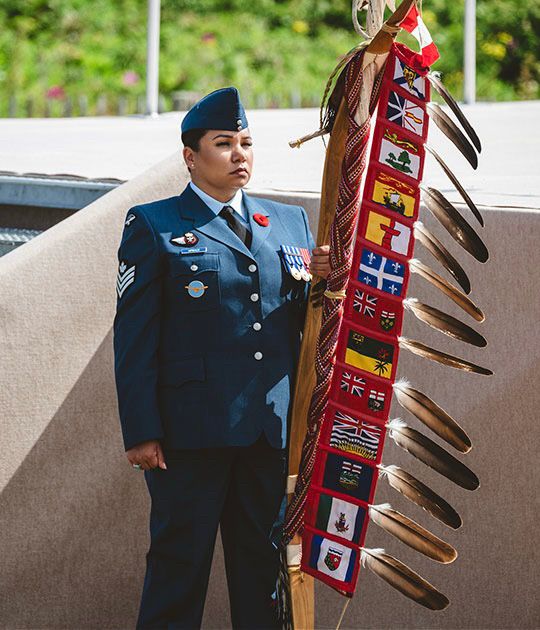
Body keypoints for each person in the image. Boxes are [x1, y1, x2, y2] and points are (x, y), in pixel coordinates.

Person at [113, 86, 330, 629]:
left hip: (268, 432)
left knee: (264, 574)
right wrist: (141, 429)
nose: (240, 154)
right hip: (189, 436)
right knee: (178, 570)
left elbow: (294, 317)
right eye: (224, 143)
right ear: (191, 156)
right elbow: (135, 336)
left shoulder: (288, 224)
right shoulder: (155, 225)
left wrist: (324, 281)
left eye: (247, 142)